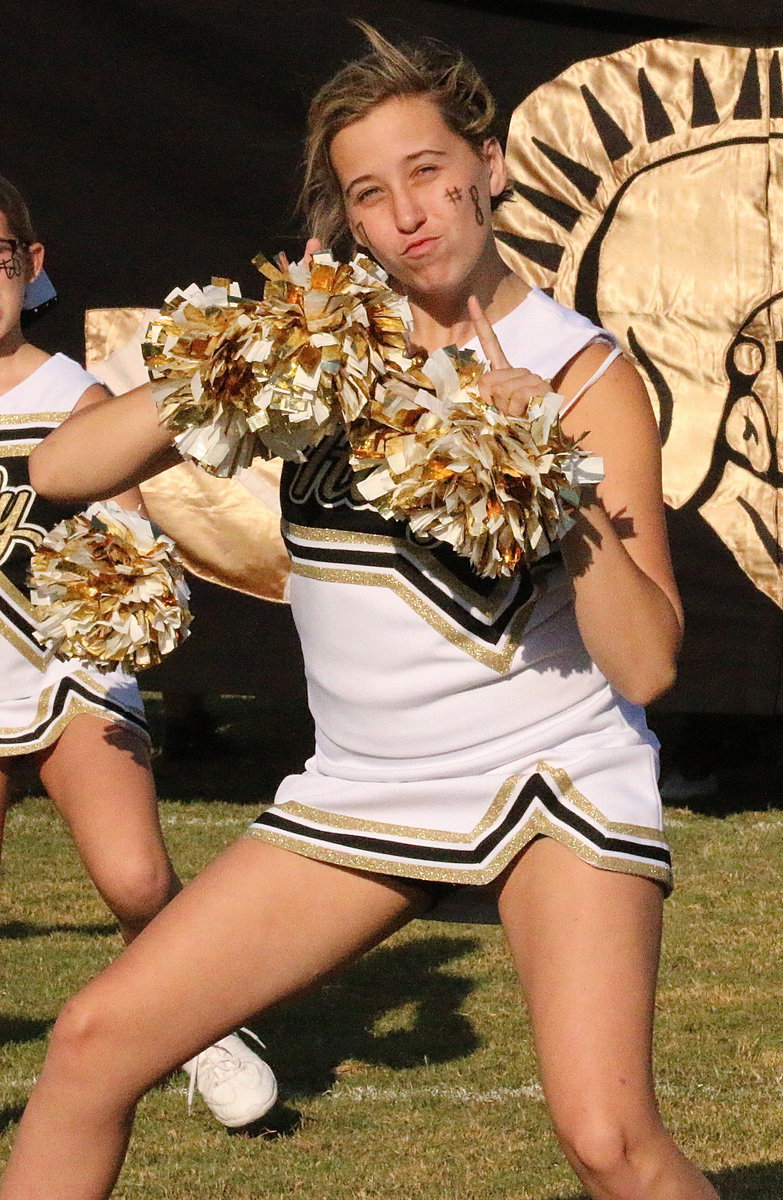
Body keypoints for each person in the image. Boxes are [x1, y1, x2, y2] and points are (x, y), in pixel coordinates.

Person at [1, 27, 720, 1200]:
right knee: (90, 1049)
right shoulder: (321, 344)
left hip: (552, 770)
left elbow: (645, 669)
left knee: (609, 1140)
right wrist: (230, 363)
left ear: (488, 164)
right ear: (344, 217)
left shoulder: (586, 375)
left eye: (430, 170)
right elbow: (67, 468)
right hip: (362, 788)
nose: (409, 212)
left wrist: (552, 475)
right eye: (369, 192)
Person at [0, 175, 277, 1130]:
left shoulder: (69, 391)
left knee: (134, 877)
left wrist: (131, 588)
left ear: (31, 267)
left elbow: (127, 528)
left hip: (66, 662)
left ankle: (195, 1024)